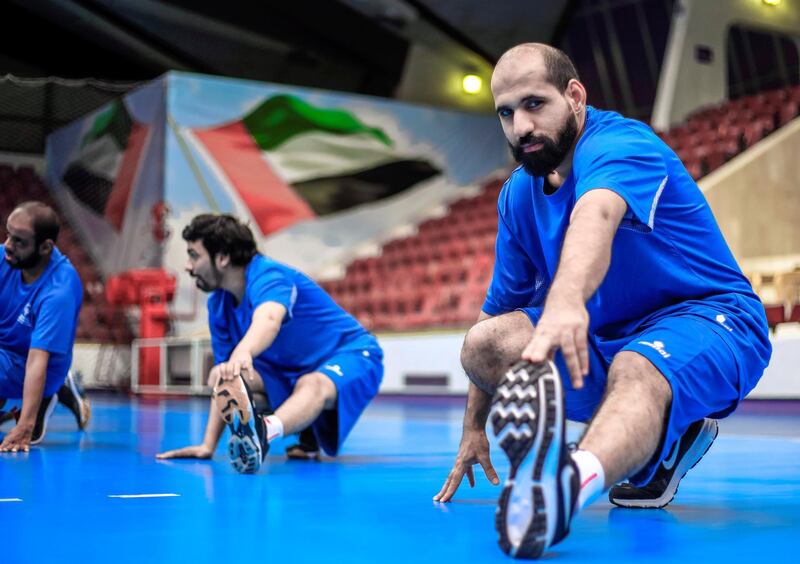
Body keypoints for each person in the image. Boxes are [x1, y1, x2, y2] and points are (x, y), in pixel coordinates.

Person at [433, 43, 771, 559]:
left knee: (638, 366)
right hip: (610, 335)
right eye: (506, 112)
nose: (520, 127)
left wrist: (566, 299)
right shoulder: (517, 196)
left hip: (712, 319)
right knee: (486, 344)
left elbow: (597, 213)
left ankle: (564, 490)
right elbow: (497, 312)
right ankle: (660, 435)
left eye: (533, 104)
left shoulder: (621, 144)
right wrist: (473, 427)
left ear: (574, 96)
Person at [156, 214, 383, 473]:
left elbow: (270, 317)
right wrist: (207, 445)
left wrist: (243, 350)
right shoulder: (218, 304)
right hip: (292, 372)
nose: (188, 265)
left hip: (353, 352)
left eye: (194, 255)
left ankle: (266, 432)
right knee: (233, 379)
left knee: (312, 383)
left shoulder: (268, 274)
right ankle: (307, 430)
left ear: (222, 257)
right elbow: (226, 383)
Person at [0, 201, 91, 453]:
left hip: (39, 364)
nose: (8, 245)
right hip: (6, 352)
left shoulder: (58, 290)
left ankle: (47, 394)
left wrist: (26, 426)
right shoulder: (4, 258)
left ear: (45, 247)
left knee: (39, 370)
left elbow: (37, 360)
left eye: (19, 241)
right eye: (8, 235)